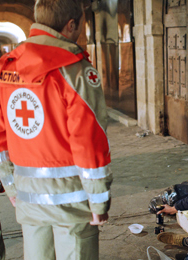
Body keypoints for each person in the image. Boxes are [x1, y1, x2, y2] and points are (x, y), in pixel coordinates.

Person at [0, 1, 112, 259]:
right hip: (71, 202)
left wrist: (11, 187)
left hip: (28, 199)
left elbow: (2, 137)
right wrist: (98, 201)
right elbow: (88, 141)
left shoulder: (7, 67)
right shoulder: (74, 69)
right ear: (71, 25)